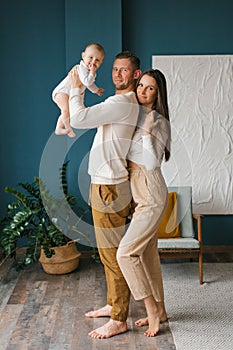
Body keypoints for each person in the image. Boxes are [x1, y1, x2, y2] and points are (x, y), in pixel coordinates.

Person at [68, 51, 141, 339]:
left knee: (112, 256)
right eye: (115, 69)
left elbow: (79, 118)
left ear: (135, 75)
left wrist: (75, 86)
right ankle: (113, 305)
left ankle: (120, 318)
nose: (117, 74)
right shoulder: (121, 104)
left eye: (124, 71)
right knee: (108, 253)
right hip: (106, 185)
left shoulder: (120, 102)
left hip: (109, 188)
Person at [117, 69, 171, 337]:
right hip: (140, 192)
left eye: (150, 88)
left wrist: (148, 133)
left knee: (125, 253)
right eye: (141, 86)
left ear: (158, 93)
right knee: (148, 254)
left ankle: (150, 309)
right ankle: (161, 309)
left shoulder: (157, 121)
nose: (143, 91)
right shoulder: (133, 115)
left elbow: (152, 163)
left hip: (151, 190)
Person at [52, 43, 105, 138]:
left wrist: (96, 90)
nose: (93, 62)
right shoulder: (81, 68)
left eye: (97, 60)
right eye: (90, 57)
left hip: (68, 93)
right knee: (66, 111)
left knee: (66, 111)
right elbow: (87, 82)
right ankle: (67, 128)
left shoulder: (89, 72)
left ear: (100, 63)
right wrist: (92, 72)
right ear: (83, 56)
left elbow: (89, 84)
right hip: (62, 92)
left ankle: (58, 128)